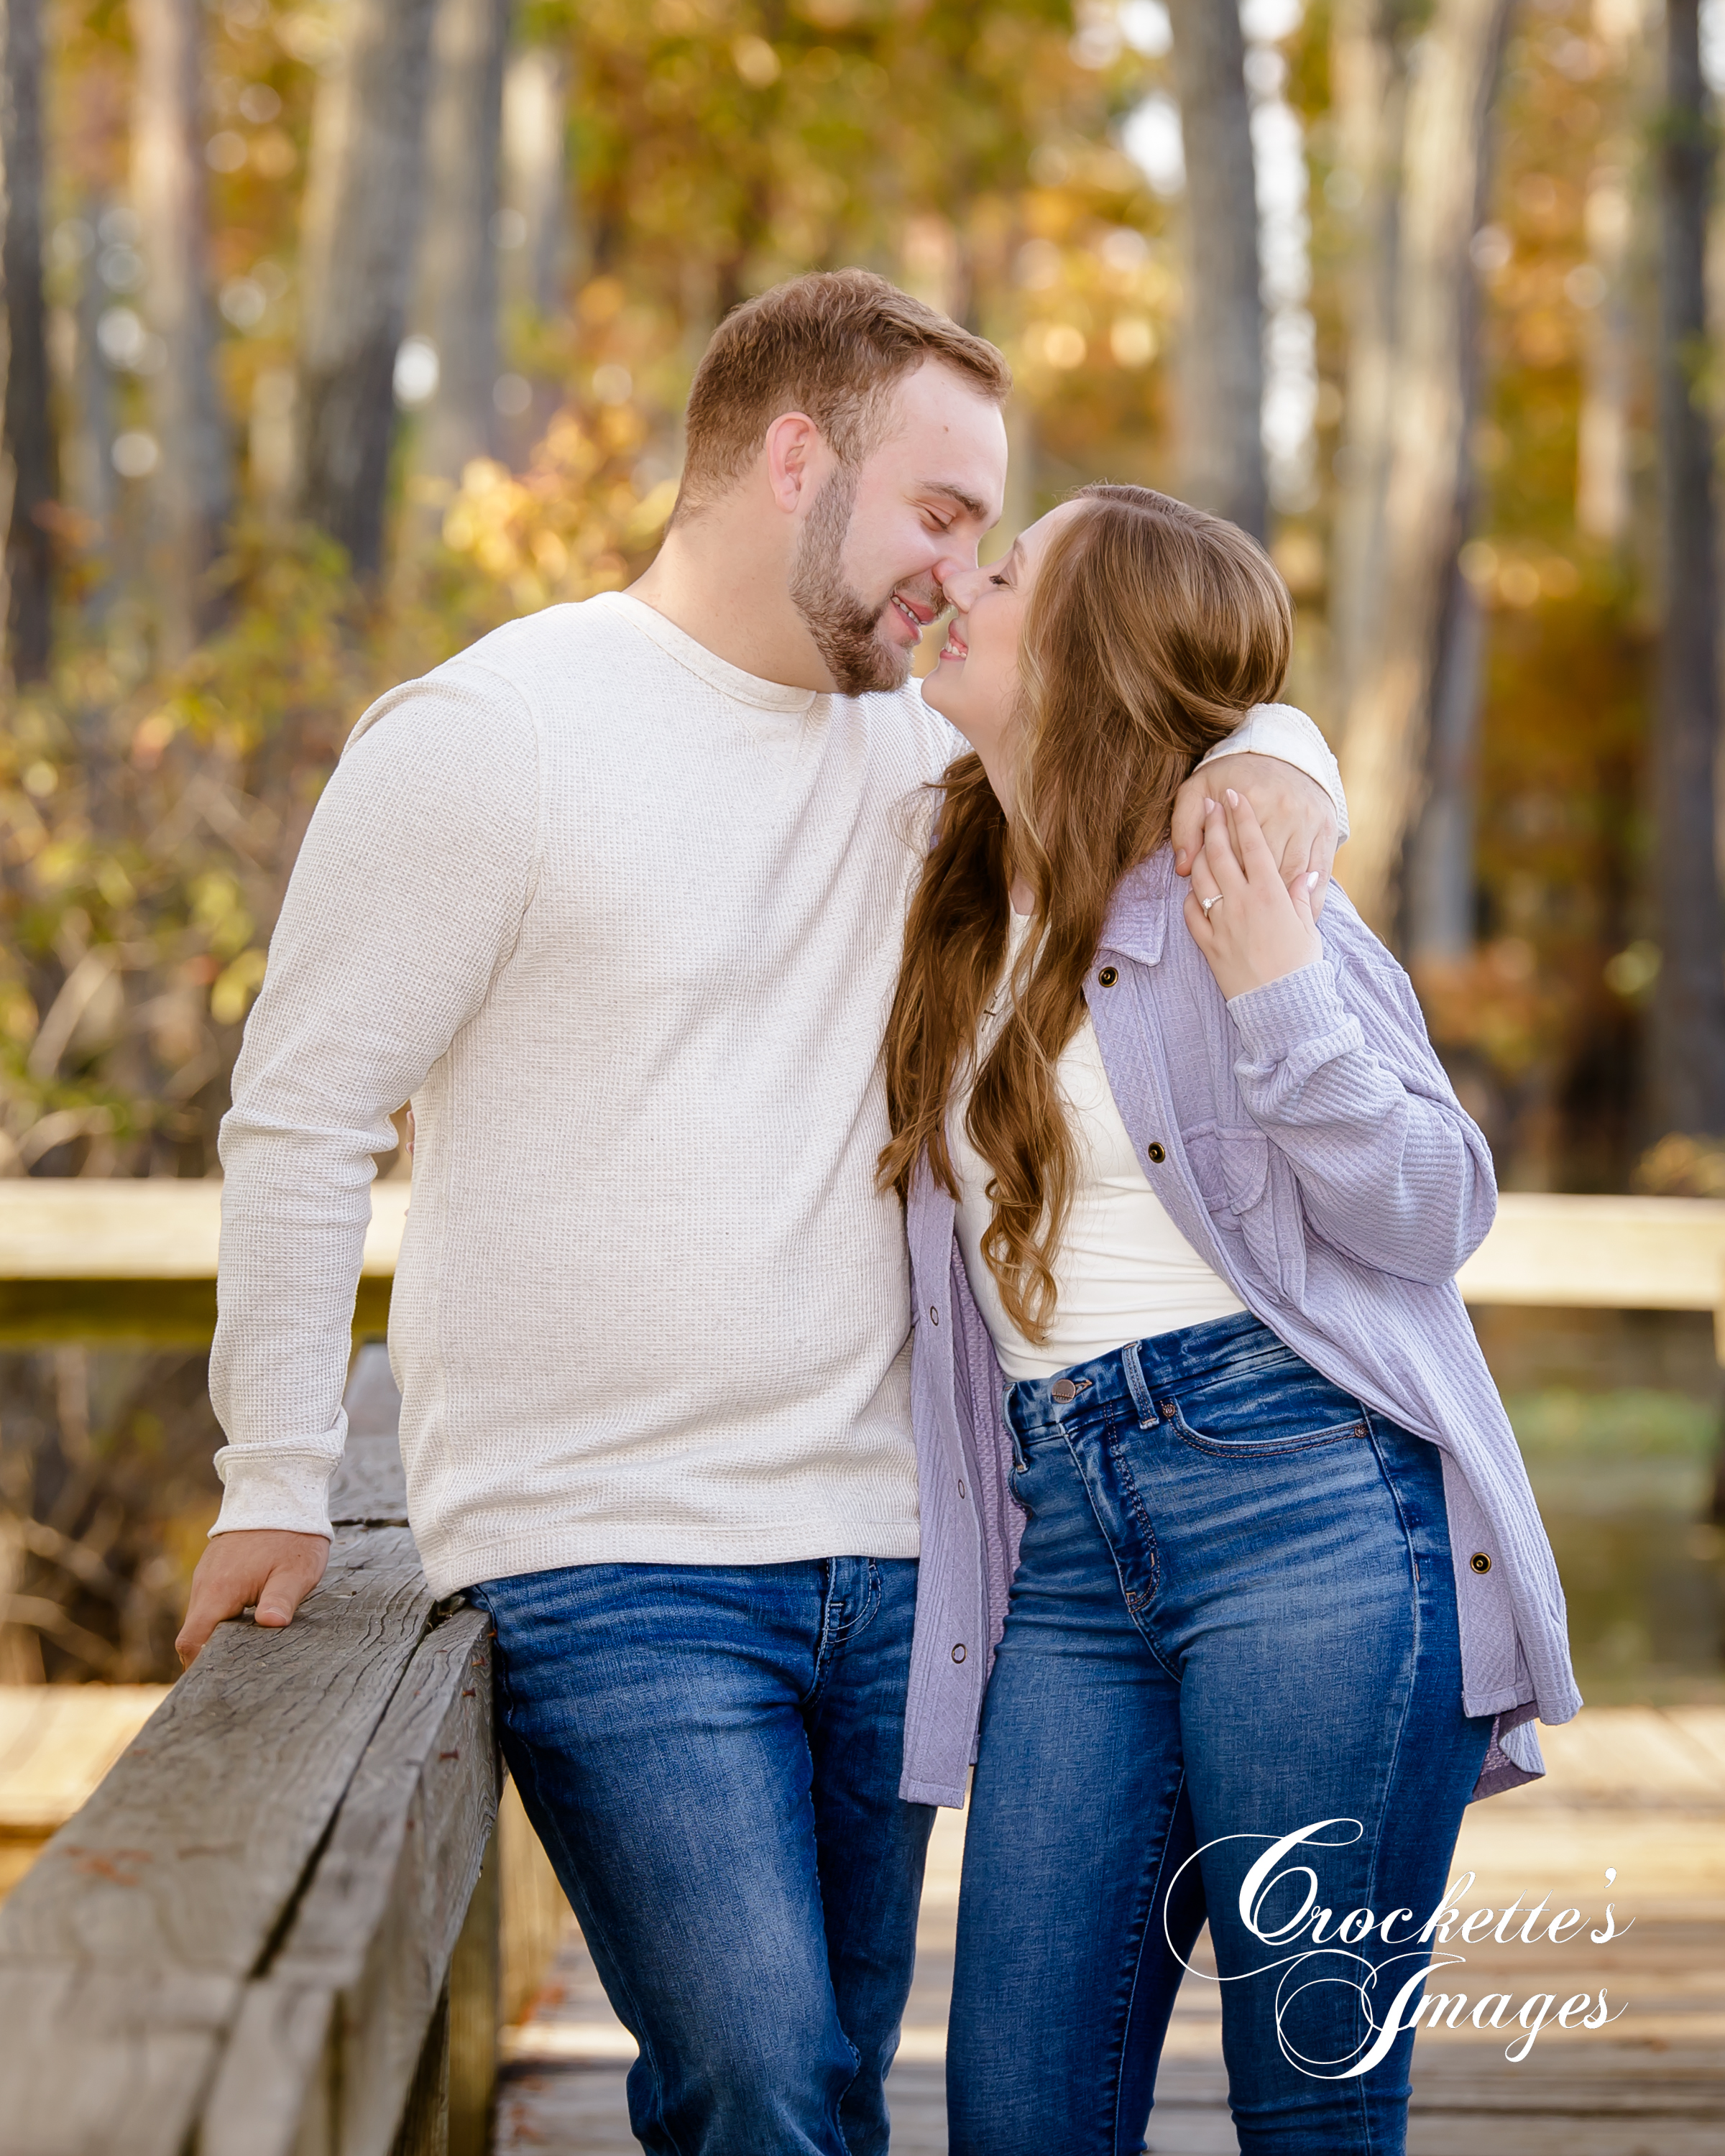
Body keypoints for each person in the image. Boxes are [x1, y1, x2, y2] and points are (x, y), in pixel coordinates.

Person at [175, 275, 1345, 2155]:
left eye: (985, 539)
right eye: (940, 516)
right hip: (607, 1545)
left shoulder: (934, 751)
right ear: (792, 456)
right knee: (763, 2078)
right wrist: (276, 1470)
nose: (961, 581)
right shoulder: (492, 735)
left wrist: (1286, 765)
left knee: (831, 2084)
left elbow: (1194, 721)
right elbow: (301, 1113)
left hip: (901, 1540)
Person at [880, 484, 1579, 2156]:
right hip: (1065, 1538)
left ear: (1093, 651)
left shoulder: (1241, 888)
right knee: (1020, 2113)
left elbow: (1434, 1207)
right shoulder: (954, 887)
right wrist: (1288, 740)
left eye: (1008, 573)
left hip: (1308, 1510)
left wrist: (1280, 997)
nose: (960, 589)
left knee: (1312, 2114)